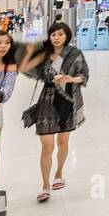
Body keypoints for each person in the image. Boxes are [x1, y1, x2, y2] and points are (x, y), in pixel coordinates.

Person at [19, 23, 88, 202]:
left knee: (63, 141)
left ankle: (59, 173)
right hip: (47, 100)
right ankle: (45, 185)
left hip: (67, 100)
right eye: (53, 34)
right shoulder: (44, 54)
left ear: (67, 36)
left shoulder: (75, 54)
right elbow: (26, 63)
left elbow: (84, 76)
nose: (56, 37)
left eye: (60, 34)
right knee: (47, 145)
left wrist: (68, 78)